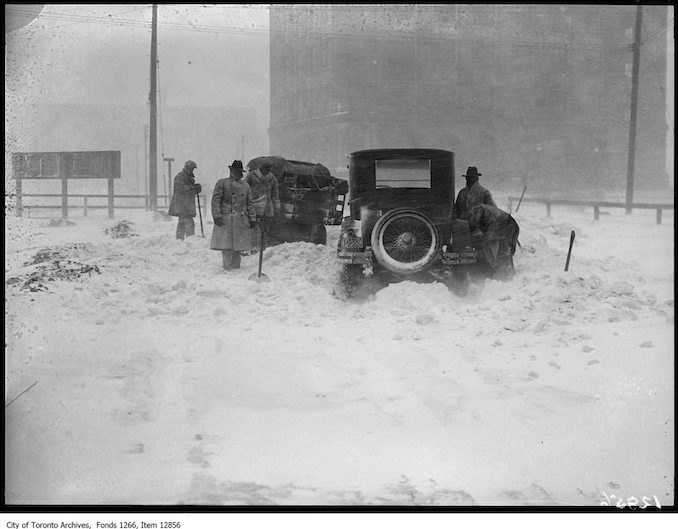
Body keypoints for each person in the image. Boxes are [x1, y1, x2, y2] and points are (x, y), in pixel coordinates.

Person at [210, 160, 256, 270]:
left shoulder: (245, 186)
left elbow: (250, 203)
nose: (238, 173)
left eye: (240, 171)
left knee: (238, 247)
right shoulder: (222, 183)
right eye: (236, 171)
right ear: (231, 170)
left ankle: (236, 268)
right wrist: (217, 216)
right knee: (226, 246)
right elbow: (216, 200)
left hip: (240, 219)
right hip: (226, 219)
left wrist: (252, 218)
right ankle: (227, 267)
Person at [467, 203, 520, 280]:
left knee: (503, 251)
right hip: (509, 224)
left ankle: (504, 275)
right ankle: (505, 273)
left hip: (506, 224)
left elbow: (487, 241)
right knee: (504, 251)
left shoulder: (480, 211)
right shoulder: (481, 212)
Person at [244, 161, 281, 248]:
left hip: (266, 208)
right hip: (254, 206)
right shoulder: (251, 176)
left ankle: (262, 247)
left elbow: (275, 195)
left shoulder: (272, 179)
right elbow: (244, 188)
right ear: (261, 169)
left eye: (269, 169)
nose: (267, 171)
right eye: (266, 169)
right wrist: (249, 197)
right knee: (253, 227)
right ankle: (251, 246)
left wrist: (277, 207)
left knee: (265, 229)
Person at [168, 160, 202, 240]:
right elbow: (183, 189)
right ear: (187, 168)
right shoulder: (180, 177)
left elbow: (188, 188)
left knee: (182, 224)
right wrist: (194, 188)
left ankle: (180, 241)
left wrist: (196, 187)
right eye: (191, 168)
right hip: (182, 205)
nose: (192, 170)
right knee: (189, 223)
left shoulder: (187, 177)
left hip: (185, 205)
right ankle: (189, 241)